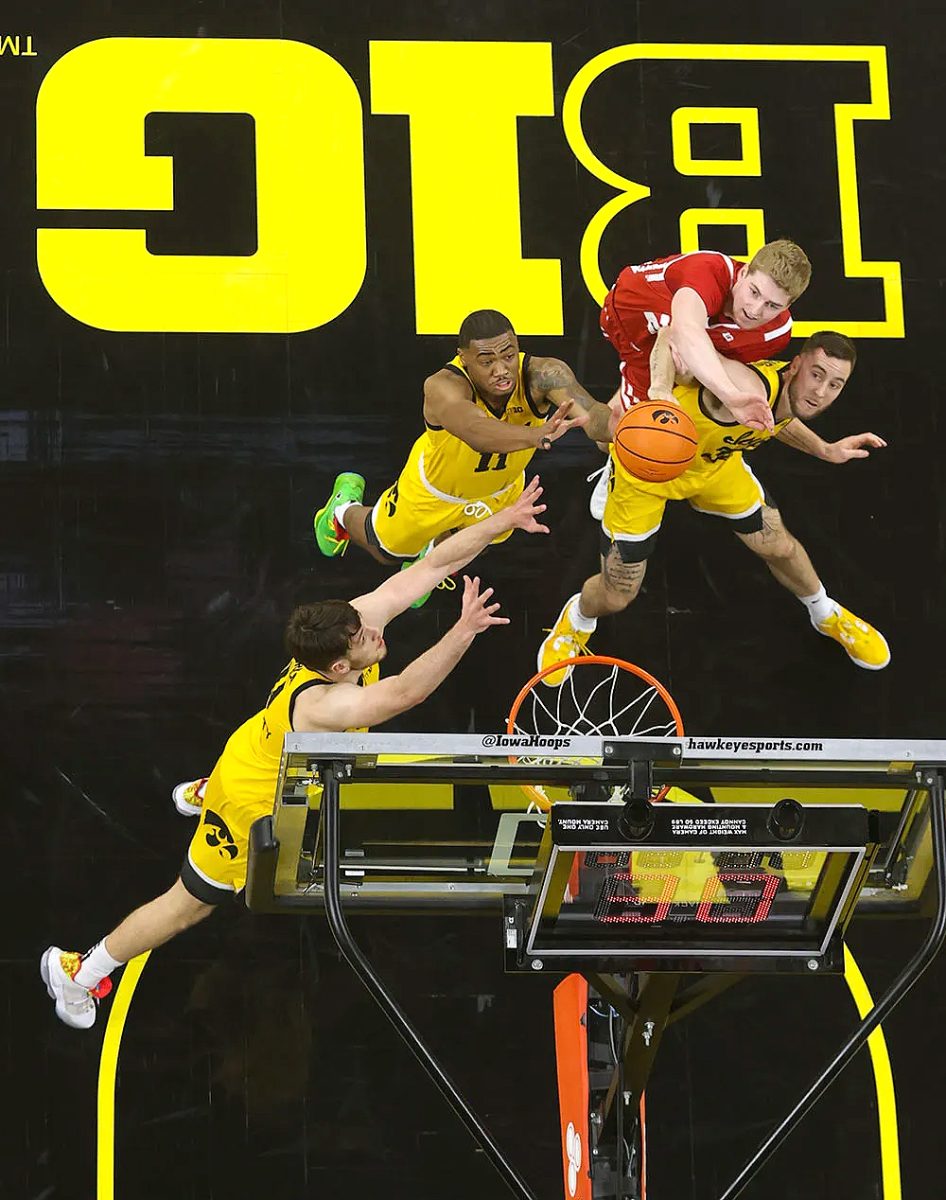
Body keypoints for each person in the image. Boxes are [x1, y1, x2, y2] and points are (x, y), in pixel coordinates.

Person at [41, 479, 550, 1029]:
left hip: (252, 747)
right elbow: (407, 692)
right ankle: (81, 970)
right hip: (254, 797)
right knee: (187, 905)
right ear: (337, 668)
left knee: (309, 740)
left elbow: (427, 569)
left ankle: (203, 789)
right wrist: (465, 628)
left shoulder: (347, 629)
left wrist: (506, 518)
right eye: (361, 640)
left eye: (362, 628)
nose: (372, 634)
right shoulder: (326, 704)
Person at [536, 331, 889, 684]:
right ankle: (577, 620)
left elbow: (778, 419)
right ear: (795, 365)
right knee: (617, 594)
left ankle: (824, 612)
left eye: (835, 384)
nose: (820, 392)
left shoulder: (783, 395)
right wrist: (654, 391)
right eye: (816, 375)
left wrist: (824, 450)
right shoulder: (745, 384)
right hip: (647, 471)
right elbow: (674, 335)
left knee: (778, 544)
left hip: (713, 467)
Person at [312, 309, 615, 603]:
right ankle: (342, 510)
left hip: (500, 490)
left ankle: (430, 558)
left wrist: (625, 428)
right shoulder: (442, 386)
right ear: (464, 357)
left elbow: (594, 417)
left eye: (508, 356)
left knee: (473, 542)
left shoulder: (545, 375)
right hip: (436, 490)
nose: (501, 370)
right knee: (387, 551)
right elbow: (477, 432)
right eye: (487, 361)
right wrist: (536, 435)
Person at [589, 240, 812, 519]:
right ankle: (619, 458)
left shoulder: (776, 334)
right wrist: (730, 396)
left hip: (679, 333)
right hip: (630, 320)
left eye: (772, 305)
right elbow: (685, 330)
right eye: (754, 292)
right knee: (629, 430)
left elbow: (712, 357)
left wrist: (824, 448)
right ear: (743, 274)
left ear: (788, 306)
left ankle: (639, 404)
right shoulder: (707, 269)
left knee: (688, 366)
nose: (756, 310)